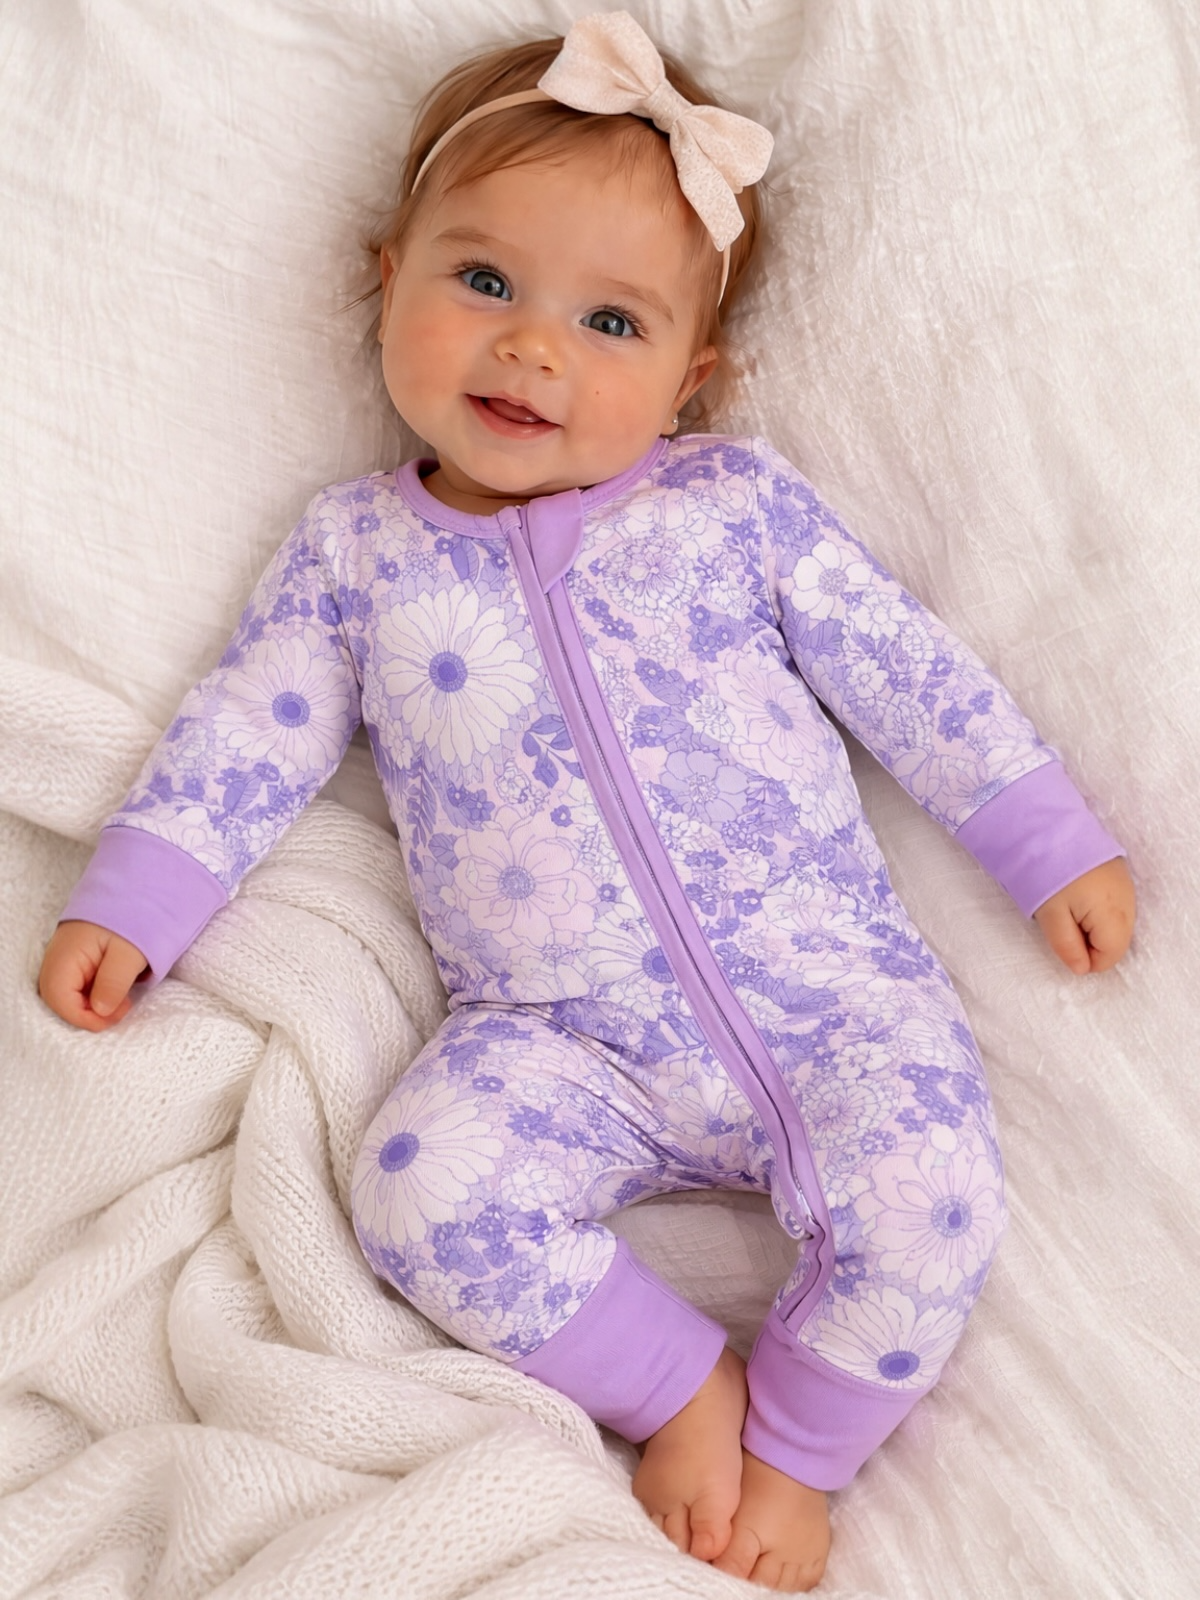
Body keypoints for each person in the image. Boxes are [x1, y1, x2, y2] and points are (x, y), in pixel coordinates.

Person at [37, 11, 1136, 1592]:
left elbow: (909, 671)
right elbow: (246, 738)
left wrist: (1047, 843)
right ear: (385, 280)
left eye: (610, 323)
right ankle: (683, 1385)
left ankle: (802, 1444)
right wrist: (135, 899)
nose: (533, 346)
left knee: (931, 1195)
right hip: (557, 1041)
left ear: (693, 382)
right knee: (416, 1184)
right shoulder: (354, 557)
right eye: (484, 282)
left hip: (835, 1005)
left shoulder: (734, 511)